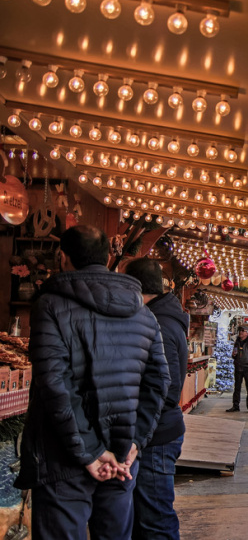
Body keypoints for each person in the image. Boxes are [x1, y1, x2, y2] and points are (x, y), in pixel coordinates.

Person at [15, 225, 170, 540]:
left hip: (63, 458)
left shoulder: (50, 305)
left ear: (63, 258)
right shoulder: (144, 314)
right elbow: (158, 382)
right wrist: (135, 442)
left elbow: (55, 384)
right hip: (122, 455)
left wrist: (90, 452)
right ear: (109, 257)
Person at [124, 257, 190, 539]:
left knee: (155, 520)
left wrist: (139, 434)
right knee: (148, 517)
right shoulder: (164, 317)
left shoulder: (158, 323)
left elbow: (167, 388)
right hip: (158, 430)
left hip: (156, 436)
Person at [227, 327, 248, 413]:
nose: (240, 332)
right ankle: (235, 405)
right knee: (237, 387)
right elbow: (234, 354)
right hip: (238, 367)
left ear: (246, 333)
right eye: (239, 331)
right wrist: (233, 355)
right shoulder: (237, 341)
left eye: (242, 331)